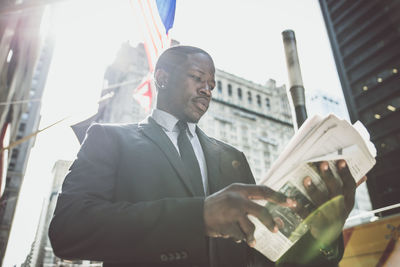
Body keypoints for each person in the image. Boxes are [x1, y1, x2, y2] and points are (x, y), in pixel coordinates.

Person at [49, 46, 359, 267]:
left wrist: (322, 235)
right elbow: (69, 230)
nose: (207, 90)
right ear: (162, 78)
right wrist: (198, 216)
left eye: (211, 84)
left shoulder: (232, 157)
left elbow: (262, 256)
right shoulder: (110, 138)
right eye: (198, 77)